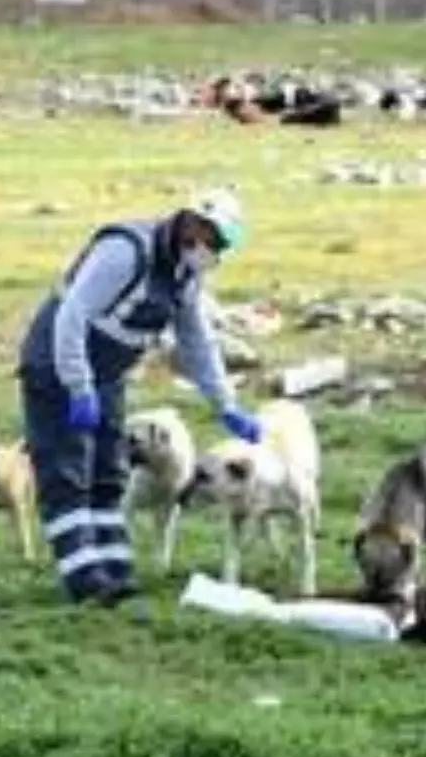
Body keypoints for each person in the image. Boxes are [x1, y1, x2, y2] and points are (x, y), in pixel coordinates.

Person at [16, 188, 263, 607]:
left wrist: (226, 405)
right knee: (67, 472)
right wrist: (78, 386)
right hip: (58, 364)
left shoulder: (185, 273)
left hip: (107, 373)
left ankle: (115, 571)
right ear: (193, 226)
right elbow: (71, 317)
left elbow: (196, 341)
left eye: (223, 247)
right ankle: (86, 583)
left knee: (108, 473)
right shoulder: (125, 252)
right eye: (215, 242)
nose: (216, 253)